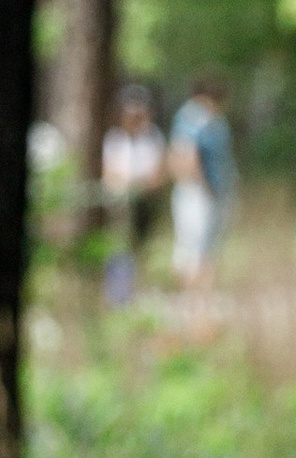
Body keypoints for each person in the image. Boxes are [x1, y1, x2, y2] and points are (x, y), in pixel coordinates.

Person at [99, 87, 166, 306]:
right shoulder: (114, 138)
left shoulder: (153, 138)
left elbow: (158, 175)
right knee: (118, 248)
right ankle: (118, 297)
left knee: (142, 248)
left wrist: (140, 185)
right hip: (119, 205)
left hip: (144, 205)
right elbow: (109, 174)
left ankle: (139, 295)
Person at [167, 78, 235, 287]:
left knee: (206, 247)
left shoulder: (212, 119)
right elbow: (185, 156)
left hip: (211, 191)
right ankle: (193, 294)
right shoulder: (192, 117)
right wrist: (206, 188)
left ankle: (202, 293)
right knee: (193, 249)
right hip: (197, 191)